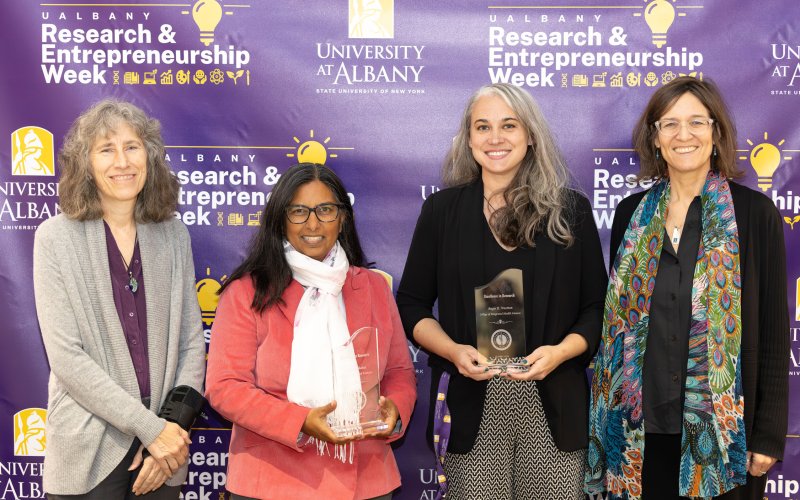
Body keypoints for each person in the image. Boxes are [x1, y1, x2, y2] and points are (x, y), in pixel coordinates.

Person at [396, 83, 607, 499]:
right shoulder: (441, 213)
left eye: (508, 125)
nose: (495, 138)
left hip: (554, 404)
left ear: (530, 135)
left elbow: (596, 308)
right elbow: (412, 305)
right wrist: (453, 351)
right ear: (469, 138)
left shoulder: (571, 211)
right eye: (483, 126)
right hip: (472, 400)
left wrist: (561, 352)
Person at [585, 76, 790, 499]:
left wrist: (768, 434)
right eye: (670, 124)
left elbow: (772, 329)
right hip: (639, 431)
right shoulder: (630, 215)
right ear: (655, 138)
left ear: (715, 133)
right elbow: (617, 327)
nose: (684, 135)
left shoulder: (754, 214)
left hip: (724, 434)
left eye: (697, 122)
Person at [205, 162, 416, 499]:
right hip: (273, 480)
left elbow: (399, 371)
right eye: (299, 211)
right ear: (280, 219)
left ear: (343, 217)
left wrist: (396, 409)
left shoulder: (374, 288)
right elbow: (225, 387)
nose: (313, 223)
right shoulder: (246, 292)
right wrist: (299, 421)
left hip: (367, 480)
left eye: (326, 210)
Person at [33, 99, 207, 498]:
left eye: (132, 146)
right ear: (86, 164)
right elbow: (67, 358)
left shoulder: (173, 236)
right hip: (88, 447)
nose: (122, 161)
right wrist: (152, 430)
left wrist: (168, 430)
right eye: (106, 149)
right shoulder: (55, 239)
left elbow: (191, 343)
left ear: (149, 156)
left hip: (162, 452)